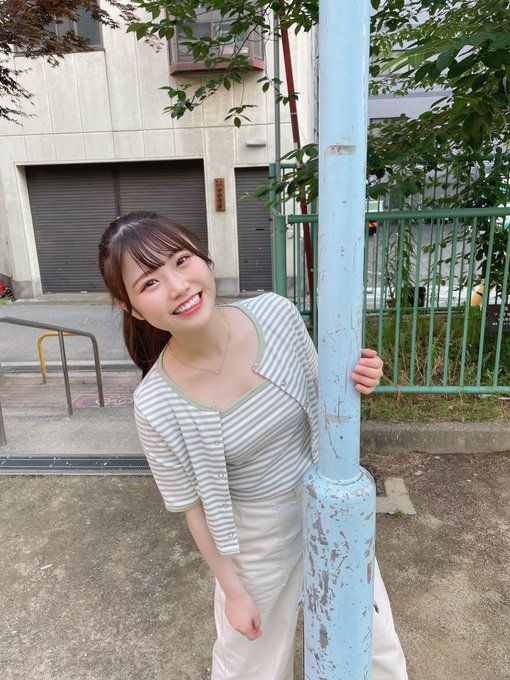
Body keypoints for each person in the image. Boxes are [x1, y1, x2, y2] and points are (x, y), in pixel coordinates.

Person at [98, 211, 408, 680]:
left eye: (181, 261)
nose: (178, 286)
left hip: (326, 503)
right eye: (150, 283)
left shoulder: (276, 315)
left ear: (203, 258)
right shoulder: (156, 402)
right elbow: (192, 509)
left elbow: (324, 393)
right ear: (133, 308)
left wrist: (359, 378)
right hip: (255, 539)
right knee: (249, 667)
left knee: (371, 643)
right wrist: (234, 591)